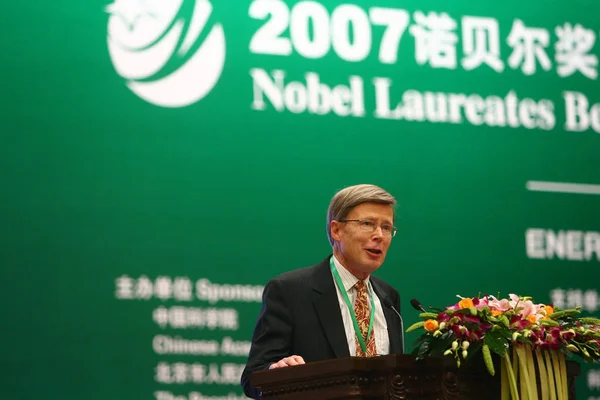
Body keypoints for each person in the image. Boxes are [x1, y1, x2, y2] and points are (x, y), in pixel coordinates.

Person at [240, 184, 404, 399]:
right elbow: (253, 376)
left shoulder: (388, 297)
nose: (379, 235)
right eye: (367, 224)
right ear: (336, 230)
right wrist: (276, 372)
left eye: (386, 227)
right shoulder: (290, 291)